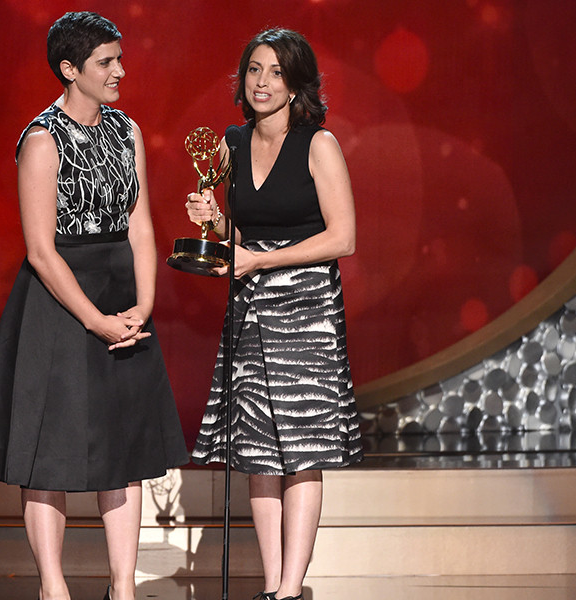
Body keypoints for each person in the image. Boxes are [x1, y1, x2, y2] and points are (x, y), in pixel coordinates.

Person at [0, 12, 189, 600]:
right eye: (106, 62)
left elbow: (140, 225)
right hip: (59, 305)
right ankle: (53, 588)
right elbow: (40, 250)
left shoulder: (126, 130)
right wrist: (95, 320)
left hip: (121, 298)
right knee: (49, 453)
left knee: (125, 448)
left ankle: (122, 587)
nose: (119, 71)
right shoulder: (41, 140)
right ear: (70, 70)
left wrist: (142, 305)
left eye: (118, 58)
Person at [186, 28, 363, 600]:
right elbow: (240, 237)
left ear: (296, 84)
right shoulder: (230, 144)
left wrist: (262, 262)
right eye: (254, 71)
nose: (262, 83)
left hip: (306, 310)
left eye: (275, 73)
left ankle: (291, 591)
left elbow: (343, 237)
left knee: (302, 451)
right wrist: (211, 222)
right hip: (250, 308)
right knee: (258, 451)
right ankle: (270, 587)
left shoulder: (319, 144)